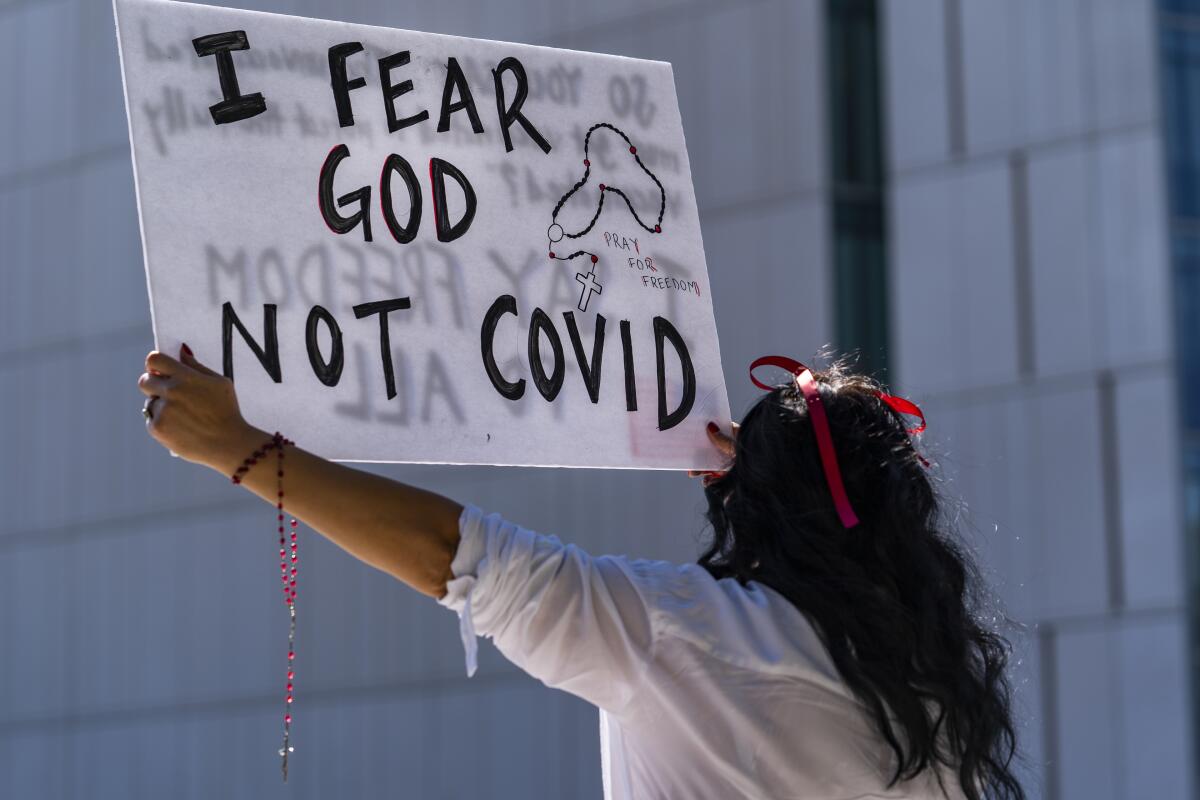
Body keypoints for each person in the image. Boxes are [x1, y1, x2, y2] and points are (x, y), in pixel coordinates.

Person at [137, 344, 1024, 800]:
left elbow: (464, 559)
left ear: (755, 505)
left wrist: (244, 450)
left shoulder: (688, 633)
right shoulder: (932, 707)